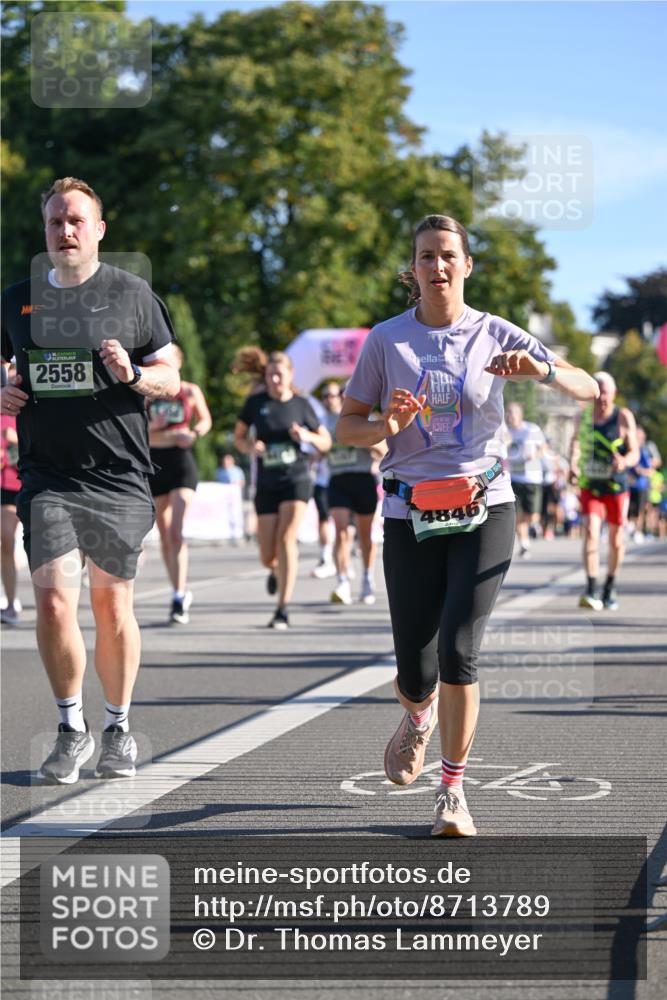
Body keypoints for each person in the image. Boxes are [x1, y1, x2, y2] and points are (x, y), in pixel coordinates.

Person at [337, 213, 598, 837]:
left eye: (448, 255)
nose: (438, 266)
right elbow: (347, 426)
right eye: (426, 256)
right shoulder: (387, 341)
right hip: (409, 512)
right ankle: (417, 716)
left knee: (459, 649)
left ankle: (451, 792)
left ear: (467, 265)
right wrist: (386, 427)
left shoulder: (493, 332)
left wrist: (542, 370)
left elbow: (587, 387)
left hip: (485, 506)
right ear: (414, 268)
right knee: (415, 669)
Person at [0, 176, 179, 784]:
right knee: (53, 600)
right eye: (55, 221)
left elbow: (170, 375)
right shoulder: (17, 300)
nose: (65, 230)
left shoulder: (132, 294)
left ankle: (118, 727)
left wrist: (134, 375)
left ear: (99, 230)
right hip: (47, 474)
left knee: (111, 602)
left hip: (119, 474)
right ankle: (70, 727)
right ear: (45, 231)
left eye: (76, 220)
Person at [234, 351, 331, 629]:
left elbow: (325, 442)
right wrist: (250, 446)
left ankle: (282, 608)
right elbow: (239, 438)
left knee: (287, 538)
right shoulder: (256, 403)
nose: (275, 380)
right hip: (267, 483)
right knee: (267, 554)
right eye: (270, 375)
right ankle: (275, 569)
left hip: (296, 479)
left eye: (279, 374)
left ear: (291, 375)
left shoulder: (302, 405)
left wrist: (307, 436)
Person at [148, 345, 212, 624]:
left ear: (179, 363)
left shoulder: (190, 391)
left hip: (181, 460)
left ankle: (178, 595)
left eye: (170, 358)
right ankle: (178, 590)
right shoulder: (149, 392)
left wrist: (194, 433)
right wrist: (152, 426)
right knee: (165, 534)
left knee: (176, 530)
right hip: (155, 461)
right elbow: (135, 430)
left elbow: (205, 420)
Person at [569, 371, 639, 612]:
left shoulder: (623, 417)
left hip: (616, 487)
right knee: (591, 530)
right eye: (597, 394)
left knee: (616, 540)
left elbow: (635, 452)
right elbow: (576, 443)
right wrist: (573, 464)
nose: (601, 399)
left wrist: (625, 462)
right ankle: (590, 588)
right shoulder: (583, 416)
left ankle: (609, 585)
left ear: (614, 394)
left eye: (605, 394)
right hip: (591, 485)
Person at [328, 387, 386, 606]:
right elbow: (320, 447)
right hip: (338, 479)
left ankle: (367, 578)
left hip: (363, 478)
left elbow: (383, 451)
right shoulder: (328, 420)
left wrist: (363, 440)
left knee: (364, 534)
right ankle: (342, 581)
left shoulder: (370, 419)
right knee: (341, 530)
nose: (344, 399)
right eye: (341, 395)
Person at [505, 401, 545, 557]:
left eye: (512, 412)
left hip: (532, 478)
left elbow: (544, 448)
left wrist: (535, 455)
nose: (510, 416)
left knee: (532, 515)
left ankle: (534, 525)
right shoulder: (505, 432)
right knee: (517, 514)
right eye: (508, 412)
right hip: (514, 478)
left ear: (520, 415)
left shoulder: (532, 429)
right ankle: (524, 544)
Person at [310, 382, 341, 580]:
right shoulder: (318, 422)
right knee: (323, 518)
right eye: (325, 396)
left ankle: (342, 561)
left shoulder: (347, 419)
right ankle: (325, 558)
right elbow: (313, 452)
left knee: (344, 525)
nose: (329, 399)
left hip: (343, 477)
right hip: (323, 479)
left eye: (332, 395)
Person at [1, 365, 22, 624]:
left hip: (17, 482)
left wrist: (15, 439)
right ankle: (10, 602)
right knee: (4, 540)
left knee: (8, 538)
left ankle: (10, 601)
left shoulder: (24, 407)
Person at [626, 426, 654, 544]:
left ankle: (637, 532)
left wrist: (640, 471)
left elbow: (650, 471)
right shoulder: (627, 449)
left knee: (639, 511)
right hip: (628, 486)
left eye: (639, 437)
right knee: (628, 511)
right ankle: (630, 530)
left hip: (641, 487)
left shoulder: (643, 452)